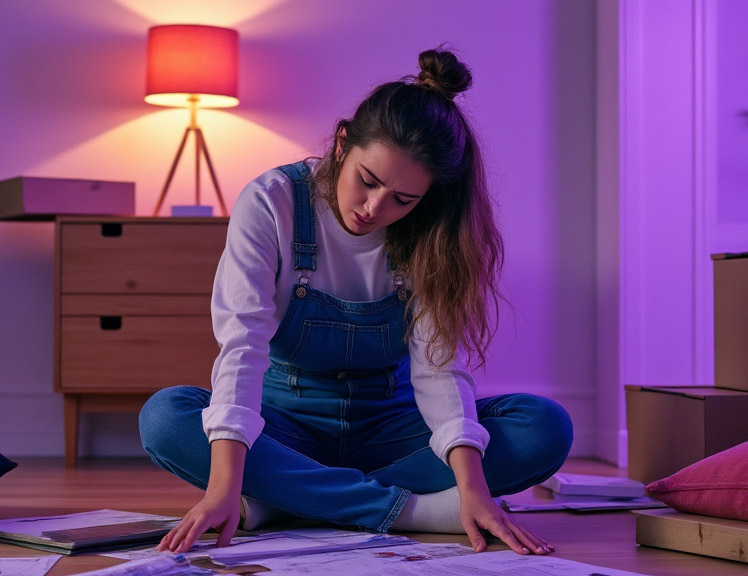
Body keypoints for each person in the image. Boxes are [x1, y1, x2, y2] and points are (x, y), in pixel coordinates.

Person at [139, 47, 573, 557]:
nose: (374, 208)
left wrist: (474, 489)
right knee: (166, 417)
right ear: (343, 144)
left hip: (392, 429)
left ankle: (286, 499)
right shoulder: (272, 202)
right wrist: (222, 484)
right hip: (285, 425)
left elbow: (439, 370)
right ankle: (419, 511)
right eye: (368, 181)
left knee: (543, 426)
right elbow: (243, 347)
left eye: (403, 200)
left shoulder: (430, 236)